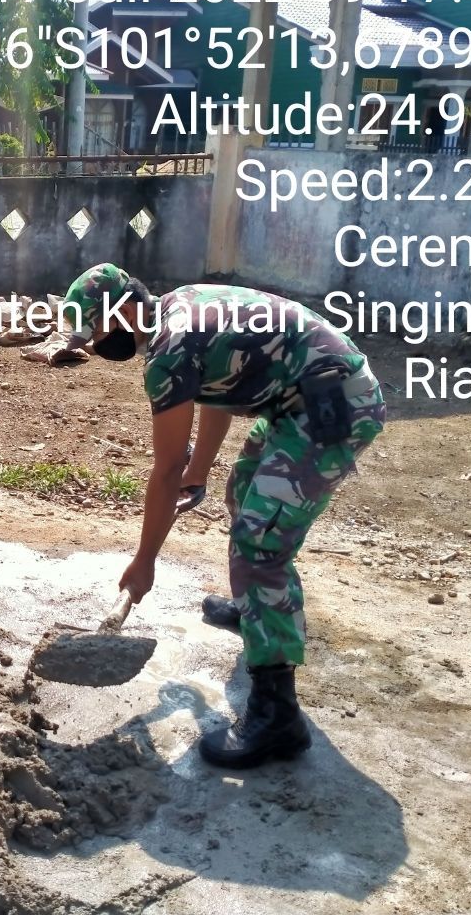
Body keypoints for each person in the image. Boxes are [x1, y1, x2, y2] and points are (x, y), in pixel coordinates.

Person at [62, 263, 386, 770]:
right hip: (300, 398)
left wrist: (144, 561)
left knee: (261, 542)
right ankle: (256, 607)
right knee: (245, 489)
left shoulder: (167, 351)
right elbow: (217, 391)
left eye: (97, 331)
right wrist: (200, 470)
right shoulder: (178, 309)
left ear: (121, 310)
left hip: (333, 404)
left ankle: (278, 715)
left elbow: (164, 471)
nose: (98, 346)